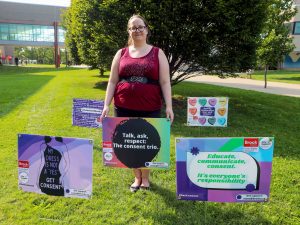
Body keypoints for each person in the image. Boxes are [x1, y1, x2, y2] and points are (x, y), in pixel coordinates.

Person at [100, 14, 174, 192]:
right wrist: (106, 105)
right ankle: (136, 176)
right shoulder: (121, 53)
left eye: (140, 26)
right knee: (128, 143)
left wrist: (169, 106)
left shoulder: (158, 53)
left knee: (147, 142)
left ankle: (146, 178)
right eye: (133, 27)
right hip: (123, 106)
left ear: (146, 30)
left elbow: (165, 82)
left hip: (150, 107)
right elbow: (112, 81)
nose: (137, 30)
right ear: (129, 31)